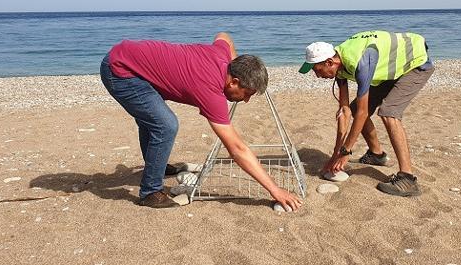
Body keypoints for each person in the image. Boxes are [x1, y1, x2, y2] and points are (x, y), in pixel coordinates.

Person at [100, 32, 303, 210]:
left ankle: (156, 168)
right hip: (120, 71)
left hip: (129, 60)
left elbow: (224, 36)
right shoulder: (210, 90)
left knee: (154, 121)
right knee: (165, 125)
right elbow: (237, 149)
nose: (246, 100)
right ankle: (150, 192)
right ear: (234, 81)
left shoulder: (223, 57)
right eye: (246, 93)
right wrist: (275, 190)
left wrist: (235, 61)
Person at [298, 31, 434, 197]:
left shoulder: (360, 62)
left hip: (415, 63)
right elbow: (345, 111)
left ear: (329, 62)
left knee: (389, 112)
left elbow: (363, 114)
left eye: (317, 70)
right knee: (355, 108)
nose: (318, 76)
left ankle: (407, 179)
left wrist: (346, 152)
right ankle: (376, 155)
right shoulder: (339, 65)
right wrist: (336, 154)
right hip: (391, 66)